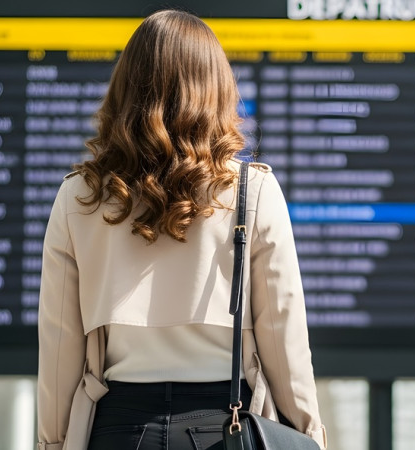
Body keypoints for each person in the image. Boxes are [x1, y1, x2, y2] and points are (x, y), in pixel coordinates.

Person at [35, 10, 326, 450]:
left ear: (125, 88)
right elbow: (284, 341)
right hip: (225, 429)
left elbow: (59, 347)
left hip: (116, 429)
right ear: (217, 89)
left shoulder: (80, 195)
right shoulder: (252, 190)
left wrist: (53, 443)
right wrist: (309, 437)